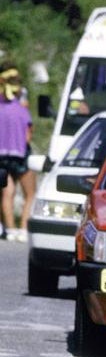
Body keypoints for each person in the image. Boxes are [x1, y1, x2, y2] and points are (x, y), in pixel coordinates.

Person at [0, 63, 33, 242]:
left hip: (1, 153)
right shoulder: (21, 108)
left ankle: (10, 229)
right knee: (30, 193)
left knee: (7, 191)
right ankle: (23, 229)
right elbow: (28, 135)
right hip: (19, 152)